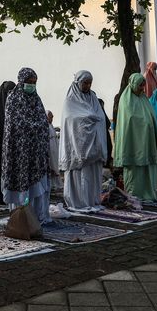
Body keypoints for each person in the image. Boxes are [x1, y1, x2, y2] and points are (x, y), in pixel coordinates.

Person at [2, 67, 51, 222]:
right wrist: (36, 126)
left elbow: (43, 121)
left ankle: (36, 216)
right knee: (21, 184)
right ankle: (20, 217)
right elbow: (16, 124)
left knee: (36, 185)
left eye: (34, 82)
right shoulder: (13, 99)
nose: (32, 85)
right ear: (21, 81)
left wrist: (38, 126)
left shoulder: (37, 99)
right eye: (29, 82)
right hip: (19, 151)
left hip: (36, 151)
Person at [59, 71, 108, 211]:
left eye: (89, 83)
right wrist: (87, 119)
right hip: (78, 146)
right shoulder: (70, 100)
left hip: (94, 145)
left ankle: (92, 200)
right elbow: (70, 119)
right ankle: (78, 202)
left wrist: (92, 119)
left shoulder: (92, 97)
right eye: (85, 83)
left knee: (92, 176)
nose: (87, 86)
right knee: (79, 176)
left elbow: (100, 116)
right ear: (78, 83)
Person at [115, 73, 157, 201]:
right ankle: (134, 195)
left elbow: (150, 117)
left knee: (148, 169)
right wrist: (144, 123)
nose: (142, 88)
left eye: (143, 85)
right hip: (133, 143)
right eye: (140, 85)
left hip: (148, 142)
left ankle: (148, 194)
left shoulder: (144, 99)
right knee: (135, 171)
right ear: (133, 84)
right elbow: (129, 120)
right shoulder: (126, 100)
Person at [46, 110, 61, 188]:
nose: (52, 118)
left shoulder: (51, 126)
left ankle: (56, 184)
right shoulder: (45, 126)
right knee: (51, 164)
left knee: (55, 164)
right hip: (50, 149)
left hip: (54, 148)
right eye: (51, 117)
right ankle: (51, 184)